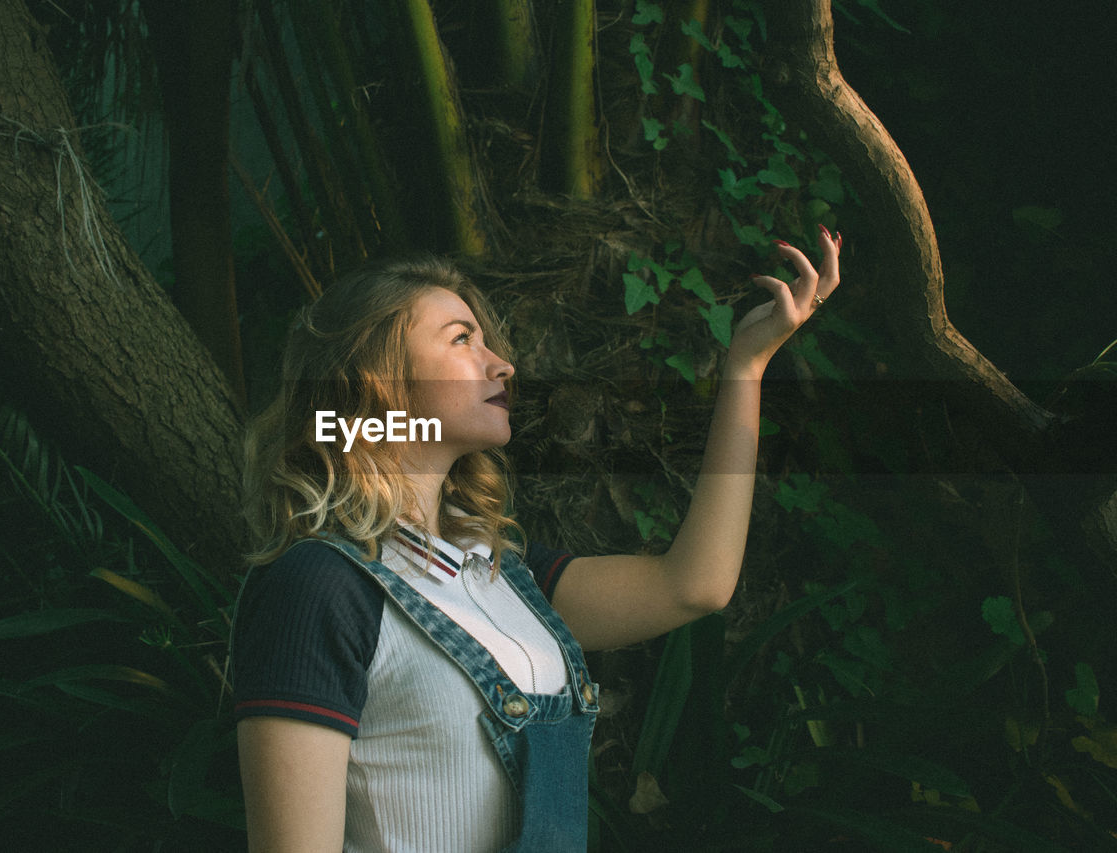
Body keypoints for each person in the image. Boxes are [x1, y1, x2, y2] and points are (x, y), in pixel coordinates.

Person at [232, 228, 842, 852]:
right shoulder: (319, 586)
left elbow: (694, 585)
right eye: (462, 339)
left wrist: (748, 366)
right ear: (378, 381)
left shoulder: (500, 575)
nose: (502, 364)